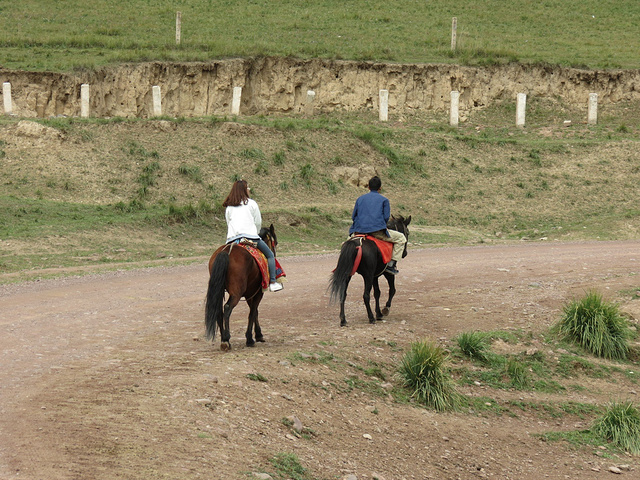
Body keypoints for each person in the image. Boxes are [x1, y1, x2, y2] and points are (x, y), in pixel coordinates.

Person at [222, 180, 283, 292]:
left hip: (232, 239)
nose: (249, 189)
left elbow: (228, 223)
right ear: (244, 190)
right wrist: (255, 231)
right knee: (269, 255)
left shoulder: (229, 207)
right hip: (250, 237)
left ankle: (223, 284)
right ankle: (273, 282)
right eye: (247, 187)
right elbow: (258, 222)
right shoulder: (252, 203)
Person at [349, 176, 406, 275]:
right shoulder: (384, 200)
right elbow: (385, 218)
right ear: (380, 188)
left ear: (368, 187)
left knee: (346, 244)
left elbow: (354, 216)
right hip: (377, 232)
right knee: (401, 238)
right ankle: (391, 265)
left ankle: (344, 264)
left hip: (358, 231)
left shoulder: (360, 199)